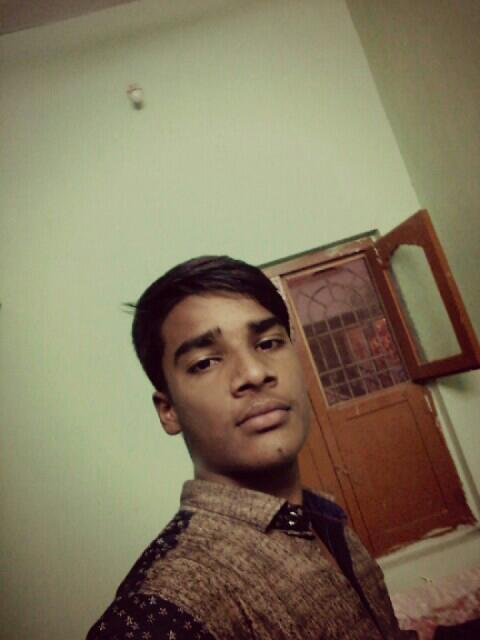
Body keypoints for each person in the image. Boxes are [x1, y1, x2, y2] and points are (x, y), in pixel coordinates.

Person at [86, 255, 413, 640]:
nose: (255, 373)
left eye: (269, 343)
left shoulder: (323, 518)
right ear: (168, 410)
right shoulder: (161, 607)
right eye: (205, 362)